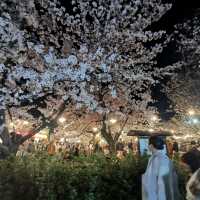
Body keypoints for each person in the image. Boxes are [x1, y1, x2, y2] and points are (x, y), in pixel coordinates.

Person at [142, 136, 180, 200]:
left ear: (151, 145)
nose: (147, 146)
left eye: (148, 144)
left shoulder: (159, 159)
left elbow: (161, 183)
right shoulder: (156, 158)